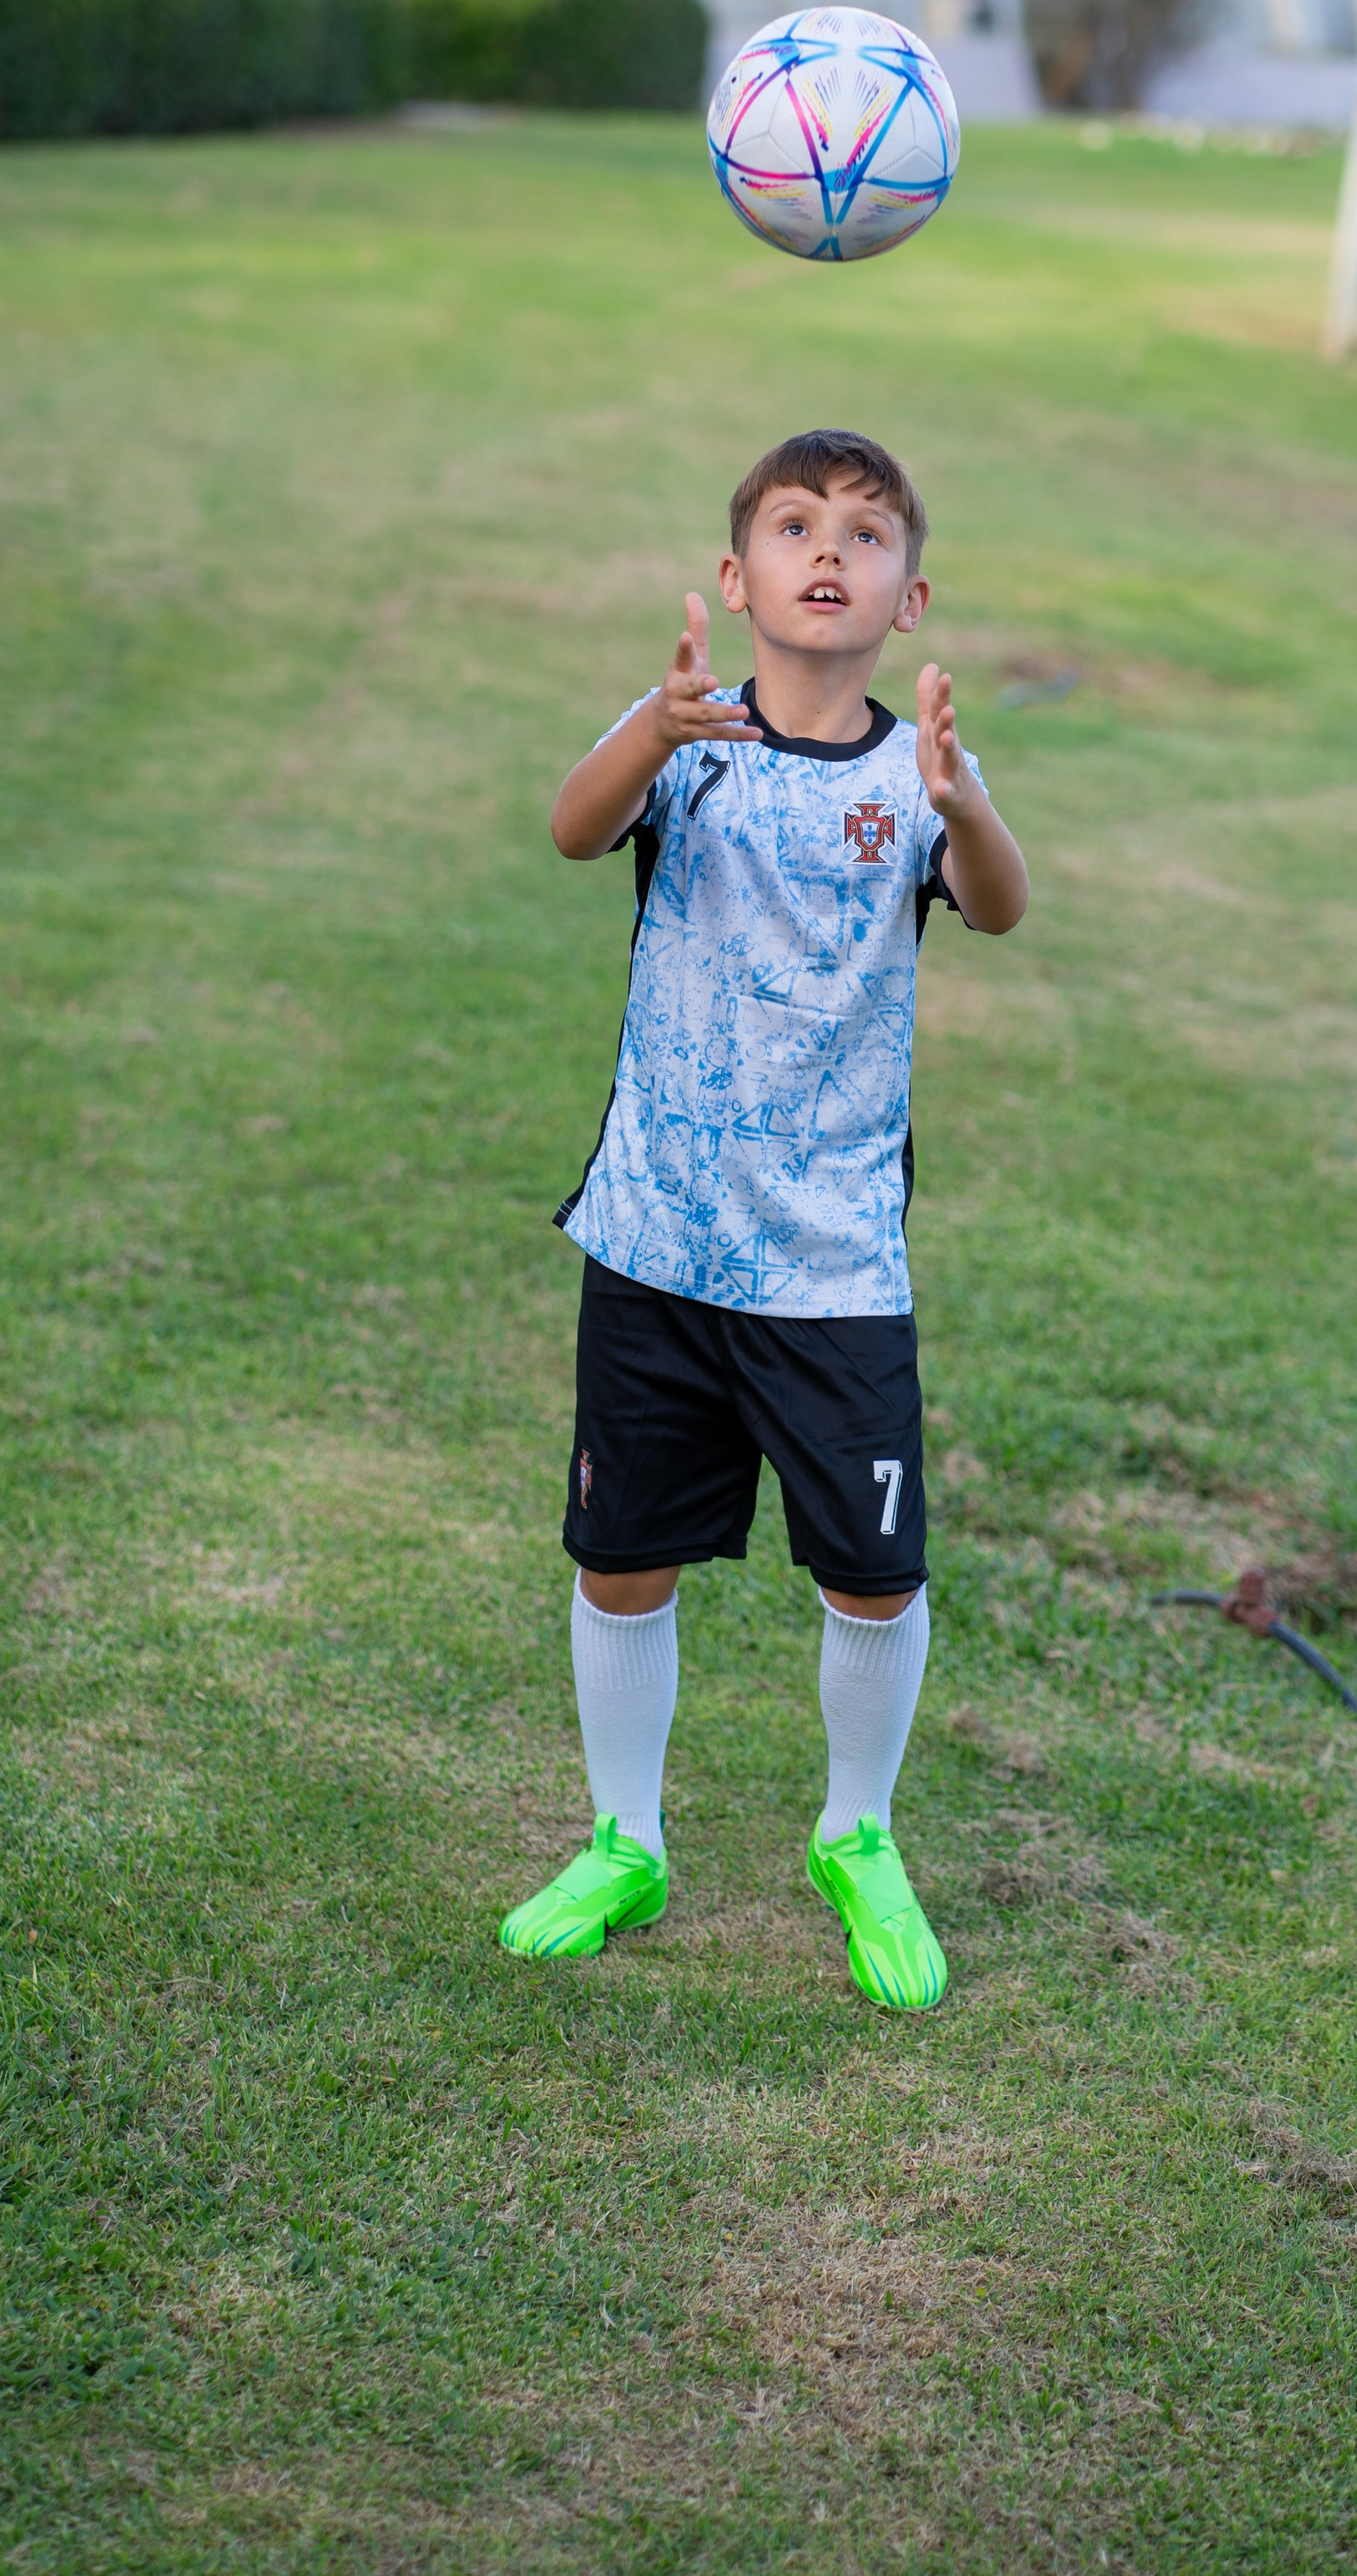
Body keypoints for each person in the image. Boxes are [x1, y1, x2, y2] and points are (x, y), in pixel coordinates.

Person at [499, 428, 1030, 2011]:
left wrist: (965, 805)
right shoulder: (686, 735)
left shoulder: (920, 766)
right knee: (622, 1562)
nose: (827, 550)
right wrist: (649, 738)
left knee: (873, 1578)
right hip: (658, 1240)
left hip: (833, 1261)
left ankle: (857, 1837)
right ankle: (625, 1837)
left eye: (863, 536)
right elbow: (572, 828)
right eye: (794, 527)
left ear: (906, 596)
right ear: (737, 582)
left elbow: (998, 903)